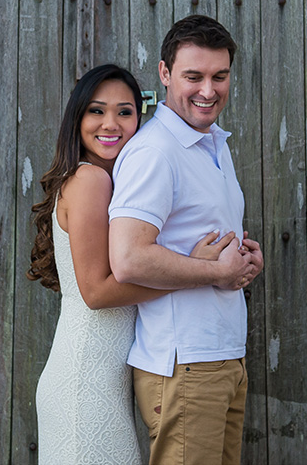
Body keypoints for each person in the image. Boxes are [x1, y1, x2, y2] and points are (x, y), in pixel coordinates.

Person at [29, 64, 250, 465]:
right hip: (86, 380)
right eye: (96, 111)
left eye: (125, 112)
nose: (110, 123)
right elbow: (96, 293)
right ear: (76, 118)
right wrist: (196, 271)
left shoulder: (103, 180)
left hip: (105, 379)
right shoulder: (90, 180)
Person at [108, 15, 264, 465]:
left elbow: (203, 244)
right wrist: (216, 270)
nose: (208, 90)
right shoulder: (154, 152)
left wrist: (242, 262)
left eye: (220, 76)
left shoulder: (213, 142)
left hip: (222, 355)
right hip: (184, 363)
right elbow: (129, 258)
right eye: (193, 76)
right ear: (164, 74)